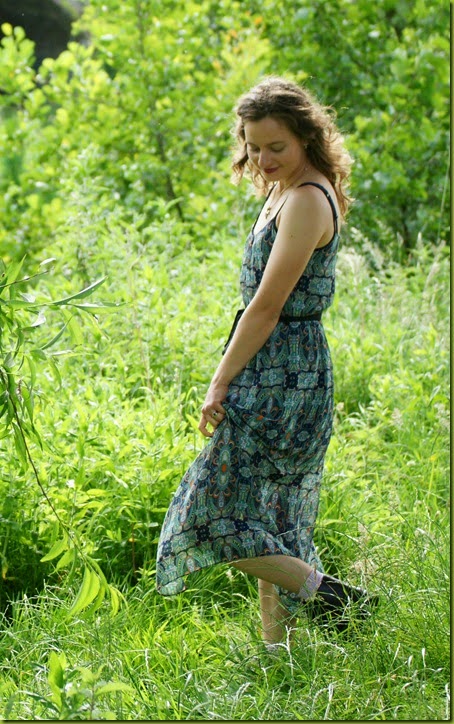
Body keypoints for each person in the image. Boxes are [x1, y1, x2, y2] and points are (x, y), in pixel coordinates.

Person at [156, 76, 377, 646]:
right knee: (267, 516)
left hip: (288, 376)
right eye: (253, 147)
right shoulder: (282, 189)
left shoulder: (305, 199)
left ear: (306, 136)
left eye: (276, 146)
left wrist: (218, 382)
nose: (262, 159)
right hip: (271, 364)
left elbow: (267, 306)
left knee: (208, 519)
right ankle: (279, 657)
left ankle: (333, 595)